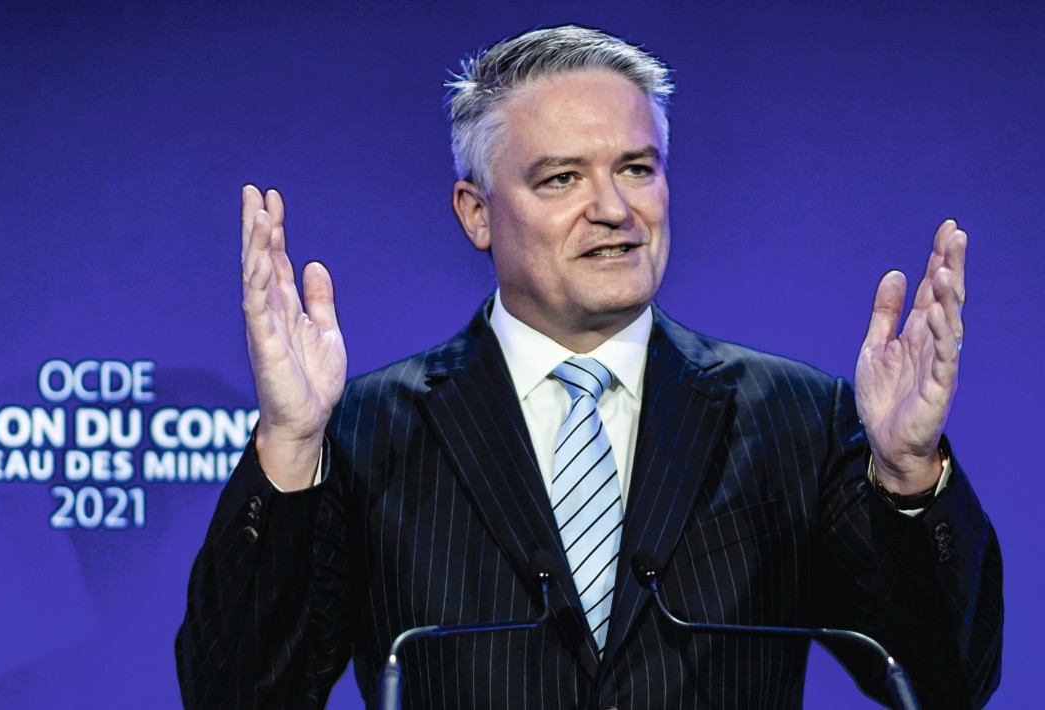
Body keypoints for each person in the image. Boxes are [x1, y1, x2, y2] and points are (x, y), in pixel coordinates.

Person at [176, 25, 1002, 709]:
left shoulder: (796, 416)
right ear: (476, 214)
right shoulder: (367, 430)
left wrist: (907, 475)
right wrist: (290, 445)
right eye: (562, 178)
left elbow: (948, 682)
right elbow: (238, 694)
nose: (614, 209)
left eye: (637, 168)